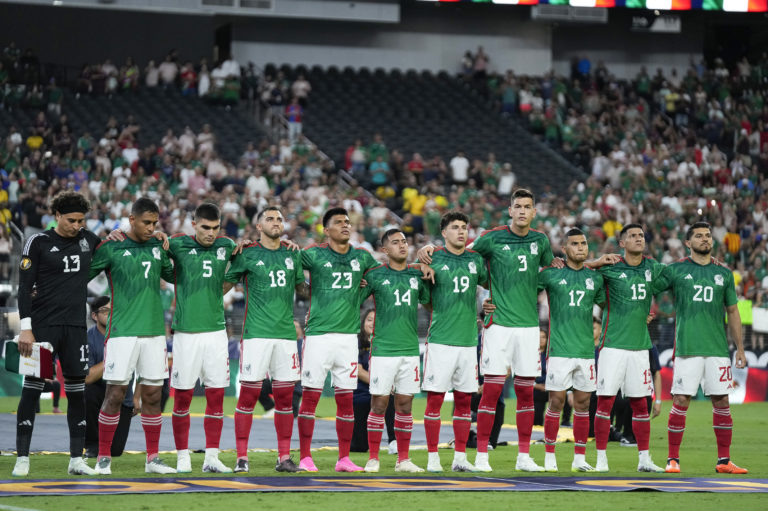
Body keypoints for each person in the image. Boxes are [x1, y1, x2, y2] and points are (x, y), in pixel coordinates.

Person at [418, 189, 558, 472]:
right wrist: (427, 251)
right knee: (491, 392)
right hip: (497, 328)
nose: (521, 210)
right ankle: (481, 455)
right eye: (517, 206)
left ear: (534, 212)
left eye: (527, 206)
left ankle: (523, 456)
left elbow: (551, 269)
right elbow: (461, 254)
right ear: (510, 210)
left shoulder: (541, 241)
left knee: (526, 393)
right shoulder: (492, 238)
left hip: (529, 327)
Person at [13, 191, 102, 477]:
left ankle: (76, 460)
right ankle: (22, 458)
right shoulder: (37, 242)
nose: (78, 226)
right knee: (32, 389)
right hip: (42, 328)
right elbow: (24, 288)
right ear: (58, 216)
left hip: (76, 327)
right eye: (72, 220)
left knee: (78, 392)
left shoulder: (89, 240)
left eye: (82, 221)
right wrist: (26, 328)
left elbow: (115, 249)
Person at [88, 198, 175, 475]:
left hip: (153, 334)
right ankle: (103, 458)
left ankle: (152, 460)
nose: (151, 228)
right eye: (146, 222)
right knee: (115, 393)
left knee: (152, 395)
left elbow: (174, 275)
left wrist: (169, 246)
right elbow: (83, 274)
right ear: (131, 219)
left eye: (155, 223)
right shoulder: (111, 246)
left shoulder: (157, 247)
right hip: (122, 332)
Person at [655, 222, 748, 474]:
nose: (705, 239)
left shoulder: (724, 273)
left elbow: (732, 311)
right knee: (681, 399)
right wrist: (649, 312)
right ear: (688, 243)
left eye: (708, 235)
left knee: (722, 401)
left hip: (717, 349)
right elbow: (649, 288)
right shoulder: (676, 269)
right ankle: (672, 459)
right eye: (699, 236)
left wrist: (739, 348)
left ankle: (724, 461)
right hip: (687, 346)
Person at [296, 207, 381, 473]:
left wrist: (363, 294)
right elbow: (291, 264)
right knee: (310, 396)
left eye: (347, 221)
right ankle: (305, 456)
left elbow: (381, 278)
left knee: (346, 399)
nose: (345, 225)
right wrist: (305, 289)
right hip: (319, 335)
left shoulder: (362, 257)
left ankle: (343, 458)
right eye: (338, 222)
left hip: (348, 338)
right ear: (326, 229)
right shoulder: (314, 253)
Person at [224, 206, 304, 473]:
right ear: (258, 226)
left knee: (284, 399)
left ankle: (283, 457)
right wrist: (228, 251)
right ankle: (241, 457)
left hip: (285, 337)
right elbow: (223, 285)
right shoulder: (247, 253)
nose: (276, 222)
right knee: (247, 396)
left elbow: (303, 289)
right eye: (269, 219)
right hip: (256, 335)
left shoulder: (293, 254)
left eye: (280, 218)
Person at [167, 203, 238, 474]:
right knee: (182, 398)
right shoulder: (177, 244)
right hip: (186, 333)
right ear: (194, 224)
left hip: (217, 333)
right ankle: (182, 456)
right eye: (205, 227)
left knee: (217, 396)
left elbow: (249, 257)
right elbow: (147, 240)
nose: (210, 233)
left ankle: (211, 457)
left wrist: (228, 283)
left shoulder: (227, 245)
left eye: (215, 227)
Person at [593, 223, 665, 473]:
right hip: (612, 346)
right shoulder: (610, 269)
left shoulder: (653, 267)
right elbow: (581, 272)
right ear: (621, 244)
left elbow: (675, 277)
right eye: (632, 236)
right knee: (605, 403)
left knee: (640, 405)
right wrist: (596, 261)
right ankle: (601, 460)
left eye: (641, 235)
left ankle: (644, 459)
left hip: (640, 347)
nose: (638, 239)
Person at [421, 211, 487, 473]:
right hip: (441, 341)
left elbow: (491, 283)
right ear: (444, 233)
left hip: (469, 342)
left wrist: (488, 304)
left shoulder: (475, 260)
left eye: (464, 227)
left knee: (463, 402)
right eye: (455, 227)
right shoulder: (433, 257)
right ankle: (433, 458)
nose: (461, 231)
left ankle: (460, 458)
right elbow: (426, 299)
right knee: (435, 401)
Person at [361, 229, 430, 473]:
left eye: (404, 241)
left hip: (410, 350)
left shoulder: (416, 273)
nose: (402, 245)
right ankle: (373, 458)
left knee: (405, 404)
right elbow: (355, 298)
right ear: (384, 250)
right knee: (379, 404)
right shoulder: (375, 276)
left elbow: (430, 302)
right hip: (383, 350)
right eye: (395, 242)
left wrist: (429, 272)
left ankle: (403, 460)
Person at [537, 228, 605, 472]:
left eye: (583, 243)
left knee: (583, 405)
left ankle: (579, 458)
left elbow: (607, 304)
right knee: (555, 402)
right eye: (574, 244)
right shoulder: (551, 274)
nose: (580, 247)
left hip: (586, 350)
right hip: (559, 349)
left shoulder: (595, 278)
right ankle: (549, 455)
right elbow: (525, 291)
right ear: (564, 249)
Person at [84, 296, 137, 459]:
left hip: (123, 395)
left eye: (113, 311)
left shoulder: (127, 335)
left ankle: (104, 445)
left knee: (115, 451)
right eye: (105, 311)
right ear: (94, 316)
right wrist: (111, 357)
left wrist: (138, 397)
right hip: (99, 392)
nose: (110, 314)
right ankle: (92, 444)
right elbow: (88, 378)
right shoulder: (87, 338)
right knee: (87, 391)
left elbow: (143, 366)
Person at [351, 309, 395, 454]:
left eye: (376, 319)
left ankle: (394, 441)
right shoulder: (355, 341)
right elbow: (358, 370)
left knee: (392, 398)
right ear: (363, 322)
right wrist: (380, 383)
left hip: (383, 393)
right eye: (369, 319)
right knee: (359, 447)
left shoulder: (389, 342)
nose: (373, 323)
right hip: (361, 395)